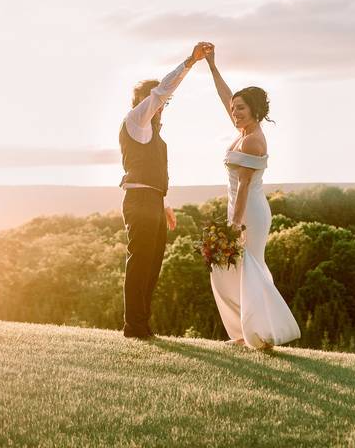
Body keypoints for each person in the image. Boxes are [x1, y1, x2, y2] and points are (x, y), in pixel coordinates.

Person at [204, 45, 300, 349]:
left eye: (241, 109)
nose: (234, 113)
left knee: (250, 270)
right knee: (229, 272)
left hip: (250, 213)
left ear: (255, 110)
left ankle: (263, 335)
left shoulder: (253, 141)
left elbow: (244, 186)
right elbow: (225, 96)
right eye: (234, 109)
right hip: (239, 208)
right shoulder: (243, 130)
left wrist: (234, 224)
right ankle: (246, 332)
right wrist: (211, 64)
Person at [118, 41, 212, 339]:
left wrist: (164, 204)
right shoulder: (136, 120)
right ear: (146, 102)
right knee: (140, 262)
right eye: (158, 103)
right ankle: (133, 327)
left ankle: (142, 325)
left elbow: (154, 173)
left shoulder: (153, 133)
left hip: (153, 200)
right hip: (139, 200)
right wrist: (189, 62)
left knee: (152, 265)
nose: (162, 107)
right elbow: (161, 93)